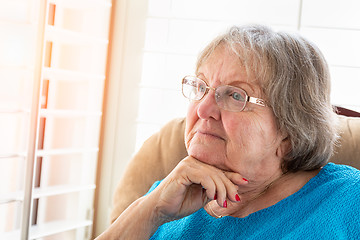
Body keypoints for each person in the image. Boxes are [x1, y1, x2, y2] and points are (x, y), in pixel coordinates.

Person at [96, 24, 360, 239]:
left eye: (235, 95)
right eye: (201, 87)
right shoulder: (165, 197)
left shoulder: (349, 200)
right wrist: (151, 210)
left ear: (290, 130)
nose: (203, 109)